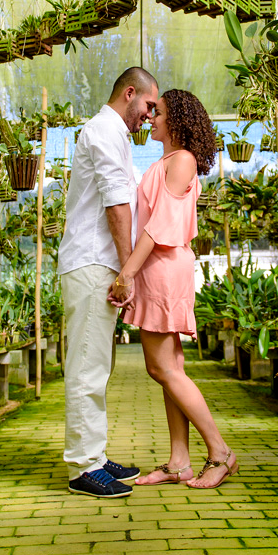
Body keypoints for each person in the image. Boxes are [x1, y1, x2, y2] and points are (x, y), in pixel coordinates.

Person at [111, 89, 239, 489]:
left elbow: (162, 224)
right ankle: (179, 462)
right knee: (171, 369)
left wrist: (126, 272)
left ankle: (220, 452)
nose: (151, 118)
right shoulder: (168, 160)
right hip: (157, 267)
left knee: (162, 367)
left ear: (178, 122)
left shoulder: (181, 160)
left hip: (163, 267)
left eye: (158, 113)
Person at [57, 66, 159, 498]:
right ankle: (83, 467)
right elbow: (118, 206)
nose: (151, 117)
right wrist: (126, 271)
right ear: (130, 93)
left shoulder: (113, 134)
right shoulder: (102, 130)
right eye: (149, 106)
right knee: (86, 365)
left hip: (99, 264)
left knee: (98, 364)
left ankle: (95, 456)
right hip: (94, 264)